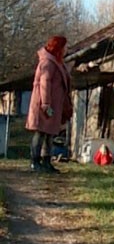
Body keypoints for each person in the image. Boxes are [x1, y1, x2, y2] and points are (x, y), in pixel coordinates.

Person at [25, 36, 72, 174]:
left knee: (50, 134)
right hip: (44, 105)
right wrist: (46, 104)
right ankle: (35, 161)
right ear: (59, 47)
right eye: (64, 47)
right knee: (40, 133)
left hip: (54, 105)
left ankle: (46, 162)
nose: (66, 50)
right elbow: (45, 83)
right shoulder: (48, 63)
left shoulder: (57, 63)